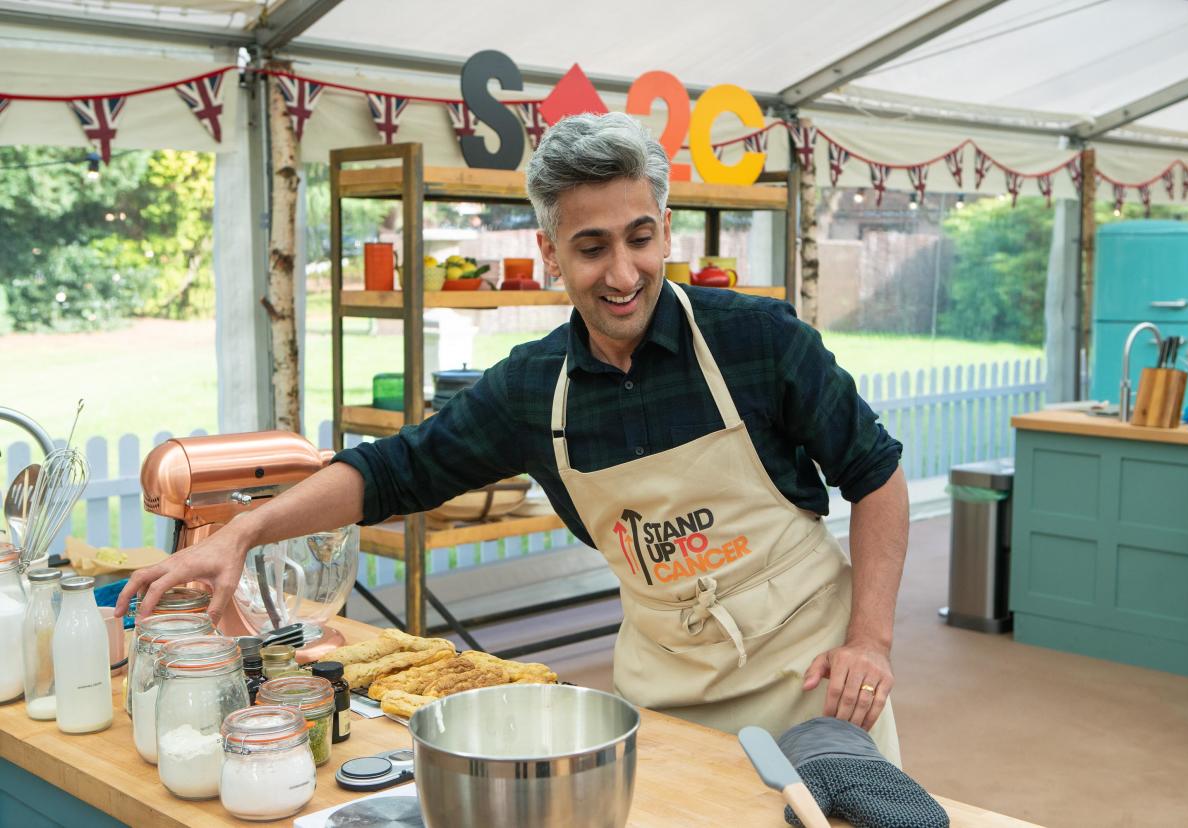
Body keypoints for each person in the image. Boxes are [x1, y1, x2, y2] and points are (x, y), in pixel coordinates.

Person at [116, 113, 909, 763]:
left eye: (639, 238)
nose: (623, 273)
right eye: (591, 247)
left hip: (813, 675)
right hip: (666, 697)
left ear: (665, 230)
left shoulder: (756, 341)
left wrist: (869, 641)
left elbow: (876, 475)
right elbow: (392, 470)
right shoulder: (533, 391)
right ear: (549, 253)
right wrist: (247, 531)